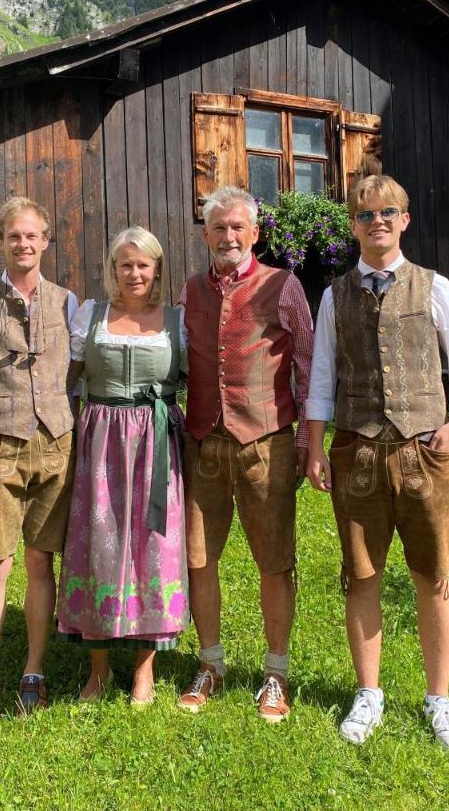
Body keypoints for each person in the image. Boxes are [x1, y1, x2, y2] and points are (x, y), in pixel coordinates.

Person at [304, 174, 449, 751]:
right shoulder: (334, 296)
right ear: (352, 225)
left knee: (433, 575)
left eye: (387, 212)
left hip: (424, 455)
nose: (375, 222)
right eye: (364, 215)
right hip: (356, 451)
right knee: (362, 574)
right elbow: (321, 381)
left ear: (404, 220)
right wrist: (313, 446)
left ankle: (439, 697)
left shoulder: (435, 289)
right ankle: (369, 693)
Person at [176, 185, 314, 722]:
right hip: (204, 440)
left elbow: (306, 360)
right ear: (206, 234)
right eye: (218, 228)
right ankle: (210, 663)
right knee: (199, 558)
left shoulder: (283, 285)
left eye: (238, 227)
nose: (228, 236)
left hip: (267, 441)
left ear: (254, 233)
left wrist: (306, 439)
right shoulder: (190, 291)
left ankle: (275, 673)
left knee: (275, 561)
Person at [0, 196, 77, 729]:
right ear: (1, 243)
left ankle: (32, 671)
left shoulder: (70, 303)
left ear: (46, 240)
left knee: (41, 561)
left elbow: (83, 374)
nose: (23, 244)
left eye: (32, 235)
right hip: (0, 448)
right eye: (13, 237)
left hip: (57, 446)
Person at [56, 227, 189, 705]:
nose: (134, 273)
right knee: (101, 545)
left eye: (143, 264)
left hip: (158, 444)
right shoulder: (91, 316)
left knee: (154, 546)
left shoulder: (178, 320)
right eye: (125, 264)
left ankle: (144, 670)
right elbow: (66, 382)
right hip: (101, 444)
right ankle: (97, 670)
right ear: (113, 269)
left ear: (156, 269)